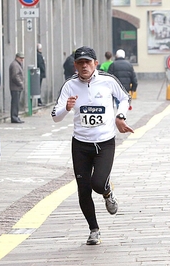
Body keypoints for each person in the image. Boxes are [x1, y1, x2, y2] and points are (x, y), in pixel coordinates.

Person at [51, 46, 134, 245]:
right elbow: (55, 116)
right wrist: (66, 108)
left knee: (98, 183)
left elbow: (124, 98)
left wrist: (120, 116)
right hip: (80, 144)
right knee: (83, 188)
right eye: (80, 63)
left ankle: (107, 192)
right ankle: (93, 229)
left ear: (95, 63)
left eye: (88, 62)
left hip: (105, 142)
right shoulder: (70, 85)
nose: (84, 66)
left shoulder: (108, 80)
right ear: (75, 66)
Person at [9, 52, 25, 123]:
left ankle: (15, 116)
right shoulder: (15, 65)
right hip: (15, 87)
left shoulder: (17, 64)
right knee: (15, 103)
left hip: (17, 87)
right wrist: (21, 83)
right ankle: (14, 117)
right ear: (17, 57)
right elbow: (15, 76)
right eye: (20, 58)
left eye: (22, 58)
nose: (22, 59)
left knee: (16, 102)